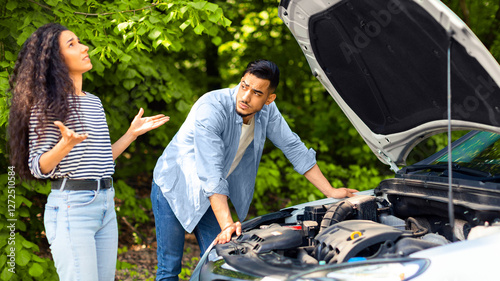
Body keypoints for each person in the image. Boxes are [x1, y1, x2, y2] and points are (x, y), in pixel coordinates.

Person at [151, 59, 358, 280]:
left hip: (212, 194)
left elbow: (293, 147)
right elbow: (211, 172)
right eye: (244, 86)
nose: (245, 97)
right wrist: (227, 224)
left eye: (257, 93)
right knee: (170, 267)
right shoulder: (211, 108)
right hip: (173, 185)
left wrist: (330, 191)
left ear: (270, 99)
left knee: (219, 262)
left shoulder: (268, 112)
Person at [7, 23, 170, 281]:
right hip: (73, 206)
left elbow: (102, 159)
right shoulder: (45, 104)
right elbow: (38, 167)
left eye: (79, 41)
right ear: (56, 60)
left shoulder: (93, 101)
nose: (84, 47)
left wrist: (131, 134)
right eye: (72, 44)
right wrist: (64, 145)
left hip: (105, 203)